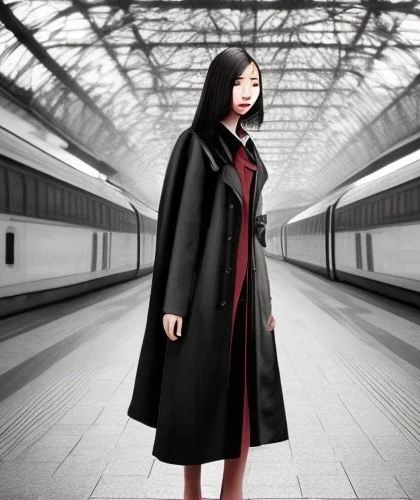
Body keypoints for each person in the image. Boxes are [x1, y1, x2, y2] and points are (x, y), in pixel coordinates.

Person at [127, 47, 289, 500]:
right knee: (196, 397)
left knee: (244, 401)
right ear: (219, 84)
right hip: (204, 299)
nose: (246, 92)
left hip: (246, 298)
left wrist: (266, 306)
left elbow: (257, 236)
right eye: (238, 82)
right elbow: (184, 227)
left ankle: (232, 493)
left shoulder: (251, 151)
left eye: (254, 83)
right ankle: (192, 492)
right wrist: (174, 301)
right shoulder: (196, 143)